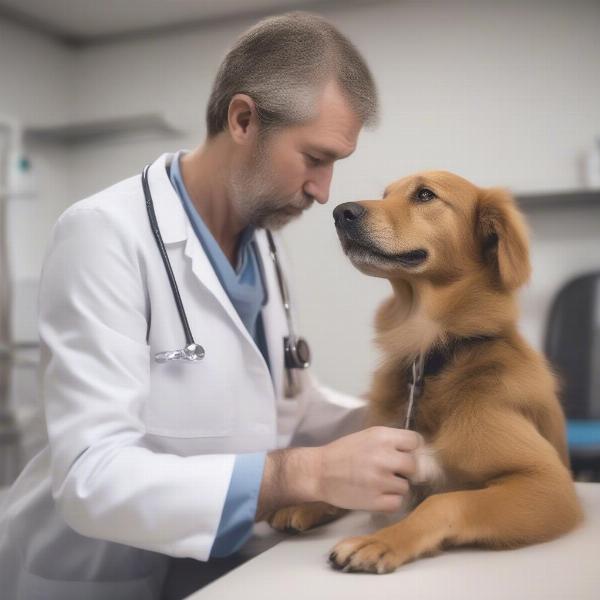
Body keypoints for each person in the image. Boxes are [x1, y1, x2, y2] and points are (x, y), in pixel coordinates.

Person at [0, 12, 421, 600]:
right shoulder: (103, 234)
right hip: (99, 576)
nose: (324, 191)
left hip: (221, 566)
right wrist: (303, 474)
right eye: (315, 158)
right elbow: (91, 478)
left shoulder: (265, 243)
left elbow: (285, 402)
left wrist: (409, 416)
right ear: (244, 119)